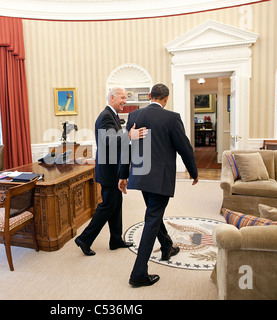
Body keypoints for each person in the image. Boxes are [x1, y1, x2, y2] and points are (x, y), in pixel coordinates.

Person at [118, 83, 199, 287]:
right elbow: (185, 148)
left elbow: (127, 147)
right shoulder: (172, 118)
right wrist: (194, 171)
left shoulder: (134, 116)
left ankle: (167, 246)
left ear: (150, 96)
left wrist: (123, 174)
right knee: (152, 219)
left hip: (140, 176)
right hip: (160, 178)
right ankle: (138, 274)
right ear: (166, 98)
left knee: (155, 212)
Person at [75, 87, 147, 256]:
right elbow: (108, 141)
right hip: (108, 170)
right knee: (107, 206)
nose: (125, 101)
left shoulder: (111, 115)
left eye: (125, 98)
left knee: (116, 205)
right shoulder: (106, 116)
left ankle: (115, 240)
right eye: (122, 97)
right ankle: (84, 239)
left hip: (112, 169)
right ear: (112, 98)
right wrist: (128, 136)